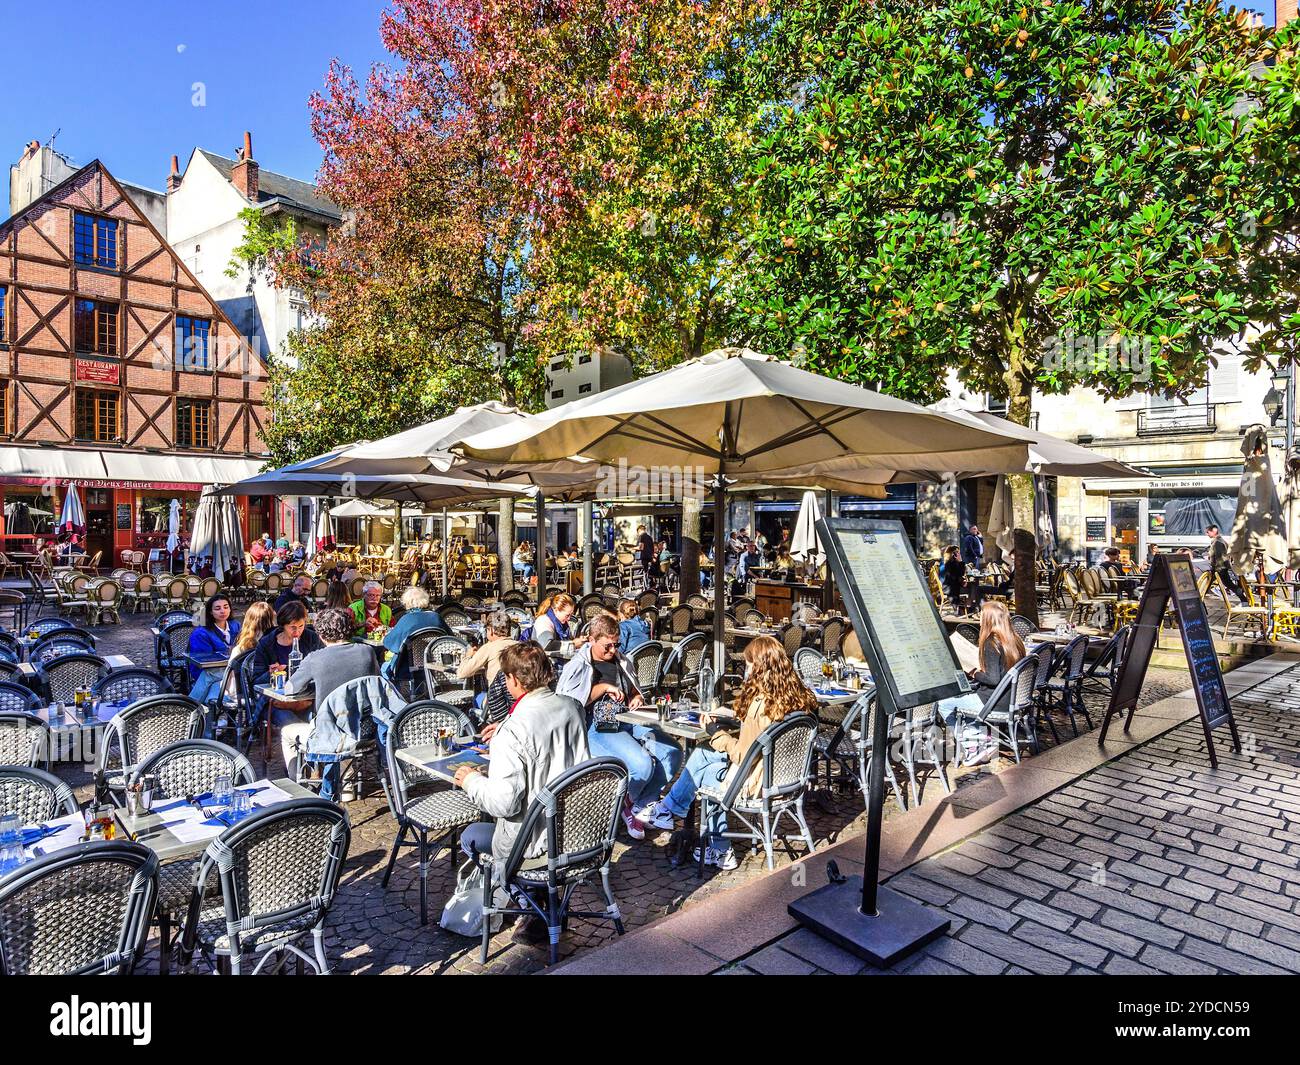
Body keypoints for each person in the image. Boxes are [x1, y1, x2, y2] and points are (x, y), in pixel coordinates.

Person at [653, 635, 817, 869]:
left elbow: (742, 754)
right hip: (789, 779)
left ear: (760, 667)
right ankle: (670, 811)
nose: (746, 669)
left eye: (749, 664)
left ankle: (718, 848)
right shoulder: (796, 696)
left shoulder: (760, 705)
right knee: (702, 754)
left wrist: (714, 732)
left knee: (707, 769)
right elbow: (763, 731)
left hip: (758, 782)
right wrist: (735, 719)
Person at [453, 642, 589, 899]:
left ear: (513, 680)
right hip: (576, 831)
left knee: (470, 835)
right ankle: (541, 902)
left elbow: (505, 804)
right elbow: (543, 721)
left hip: (533, 844)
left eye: (506, 677)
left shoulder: (513, 731)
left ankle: (525, 898)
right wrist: (505, 724)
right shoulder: (572, 708)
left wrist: (471, 781)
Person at [557, 613, 680, 840]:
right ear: (591, 639)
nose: (612, 650)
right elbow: (569, 703)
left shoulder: (622, 659)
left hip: (627, 717)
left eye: (616, 644)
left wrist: (637, 697)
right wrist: (602, 686)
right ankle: (624, 805)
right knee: (642, 764)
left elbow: (634, 688)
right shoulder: (578, 665)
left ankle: (637, 805)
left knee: (672, 752)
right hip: (596, 725)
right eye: (607, 646)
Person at [279, 608, 379, 798]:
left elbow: (290, 689)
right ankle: (347, 785)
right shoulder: (367, 652)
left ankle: (301, 787)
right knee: (343, 721)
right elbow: (376, 682)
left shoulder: (315, 658)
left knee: (287, 733)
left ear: (321, 633)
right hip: (364, 729)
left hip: (329, 734)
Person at [935, 600, 1026, 765]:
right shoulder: (1015, 641)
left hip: (992, 701)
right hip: (1012, 700)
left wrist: (975, 672)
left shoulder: (992, 642)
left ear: (988, 620)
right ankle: (983, 738)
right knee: (965, 702)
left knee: (945, 704)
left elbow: (993, 679)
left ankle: (972, 747)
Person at [250, 600, 323, 728]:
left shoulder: (311, 638)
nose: (297, 632)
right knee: (294, 725)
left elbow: (322, 667)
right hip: (276, 701)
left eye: (301, 626)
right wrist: (270, 674)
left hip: (306, 698)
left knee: (320, 721)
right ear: (283, 625)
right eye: (292, 627)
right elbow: (256, 681)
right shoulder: (267, 643)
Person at [381, 585, 447, 684]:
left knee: (384, 668)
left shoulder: (406, 619)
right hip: (435, 665)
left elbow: (389, 643)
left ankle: (398, 697)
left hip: (409, 669)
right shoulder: (436, 617)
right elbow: (449, 638)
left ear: (407, 602)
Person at [187, 594, 241, 705]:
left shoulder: (236, 625)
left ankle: (189, 707)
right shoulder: (201, 633)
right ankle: (191, 707)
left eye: (226, 607)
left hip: (231, 669)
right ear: (210, 612)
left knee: (212, 692)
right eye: (217, 608)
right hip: (206, 670)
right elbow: (204, 661)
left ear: (230, 609)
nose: (223, 611)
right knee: (210, 675)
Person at [456, 609, 515, 688]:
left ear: (491, 630)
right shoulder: (520, 646)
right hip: (520, 696)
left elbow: (462, 673)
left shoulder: (488, 648)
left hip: (496, 696)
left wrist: (468, 656)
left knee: (478, 695)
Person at [1205, 524, 1244, 601]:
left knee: (1229, 585)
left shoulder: (1218, 542)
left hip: (1219, 568)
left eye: (1208, 532)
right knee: (1228, 584)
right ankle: (1244, 600)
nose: (1207, 534)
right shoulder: (1220, 541)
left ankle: (1244, 600)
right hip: (1220, 568)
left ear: (1214, 531)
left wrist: (1214, 566)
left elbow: (1219, 557)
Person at [938, 545, 968, 611]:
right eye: (957, 552)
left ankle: (965, 608)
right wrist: (960, 562)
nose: (959, 554)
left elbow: (958, 575)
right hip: (950, 590)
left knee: (971, 587)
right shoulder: (950, 563)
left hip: (951, 587)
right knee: (972, 588)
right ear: (953, 554)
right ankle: (966, 608)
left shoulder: (949, 562)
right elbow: (958, 575)